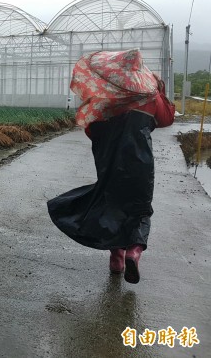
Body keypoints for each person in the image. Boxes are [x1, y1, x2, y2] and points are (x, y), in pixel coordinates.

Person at [47, 49, 175, 284]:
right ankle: (134, 251)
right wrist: (160, 90)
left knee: (112, 203)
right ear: (140, 72)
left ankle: (116, 258)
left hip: (109, 162)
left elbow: (91, 128)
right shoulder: (149, 95)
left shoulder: (108, 95)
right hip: (140, 162)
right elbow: (167, 119)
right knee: (140, 206)